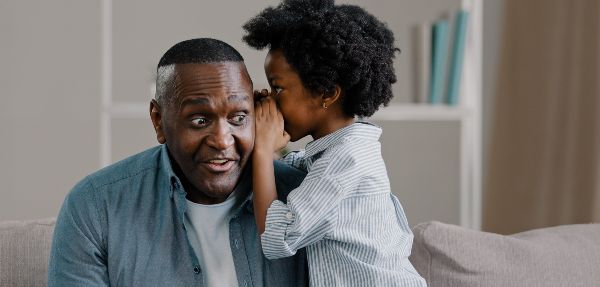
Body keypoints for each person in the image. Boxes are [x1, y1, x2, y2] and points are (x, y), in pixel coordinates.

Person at [48, 38, 308, 286]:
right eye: (200, 120)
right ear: (158, 120)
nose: (222, 140)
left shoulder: (305, 199)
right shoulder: (95, 208)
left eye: (238, 118)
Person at [243, 0, 427, 286]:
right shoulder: (340, 150)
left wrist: (263, 151)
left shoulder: (346, 160)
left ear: (326, 93)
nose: (270, 98)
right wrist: (265, 140)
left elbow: (277, 238)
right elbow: (288, 171)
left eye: (278, 87)